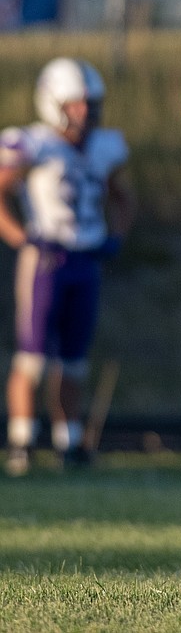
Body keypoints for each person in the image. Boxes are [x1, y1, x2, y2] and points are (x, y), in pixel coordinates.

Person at [0, 58, 134, 476]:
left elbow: (122, 198)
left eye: (91, 104)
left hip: (85, 258)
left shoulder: (104, 145)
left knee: (74, 358)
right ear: (55, 104)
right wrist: (21, 238)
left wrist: (116, 236)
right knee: (33, 357)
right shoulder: (33, 144)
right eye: (77, 104)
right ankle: (21, 441)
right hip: (46, 258)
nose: (87, 112)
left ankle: (69, 442)